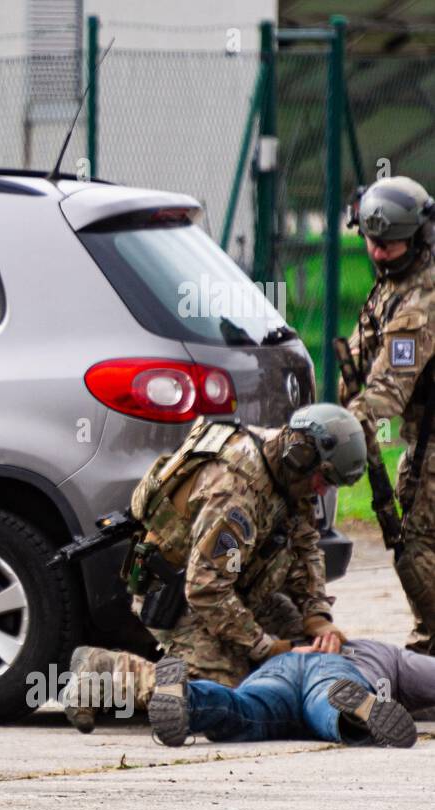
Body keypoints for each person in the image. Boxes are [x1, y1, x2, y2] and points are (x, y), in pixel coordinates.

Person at [62, 404, 367, 732]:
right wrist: (263, 646)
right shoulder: (234, 491)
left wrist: (318, 618)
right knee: (225, 693)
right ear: (301, 454)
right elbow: (204, 588)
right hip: (179, 598)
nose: (322, 490)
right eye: (323, 479)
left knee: (307, 657)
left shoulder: (290, 474)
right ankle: (103, 672)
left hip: (238, 590)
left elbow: (306, 549)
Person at [342, 176, 435, 650]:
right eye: (373, 243)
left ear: (417, 238)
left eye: (391, 244)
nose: (379, 253)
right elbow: (359, 364)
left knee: (417, 547)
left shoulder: (420, 301)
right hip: (421, 441)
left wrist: (338, 432)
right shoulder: (393, 284)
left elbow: (386, 391)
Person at [147, 636, 426, 748]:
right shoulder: (375, 650)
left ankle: (189, 697)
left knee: (244, 707)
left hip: (279, 666)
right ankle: (358, 711)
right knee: (327, 700)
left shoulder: (285, 639)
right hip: (336, 670)